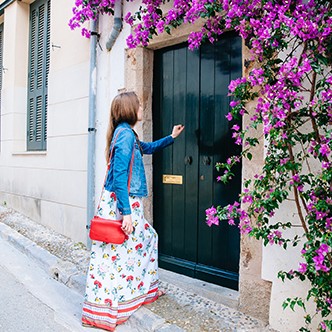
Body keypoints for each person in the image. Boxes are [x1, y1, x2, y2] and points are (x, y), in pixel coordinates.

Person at [82, 91, 184, 331]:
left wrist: (171, 137)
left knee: (125, 249)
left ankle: (127, 298)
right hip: (124, 203)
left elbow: (146, 148)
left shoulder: (126, 134)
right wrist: (126, 212)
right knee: (126, 250)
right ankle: (118, 303)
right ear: (129, 109)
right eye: (138, 105)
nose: (141, 109)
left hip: (123, 202)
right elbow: (118, 175)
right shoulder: (125, 135)